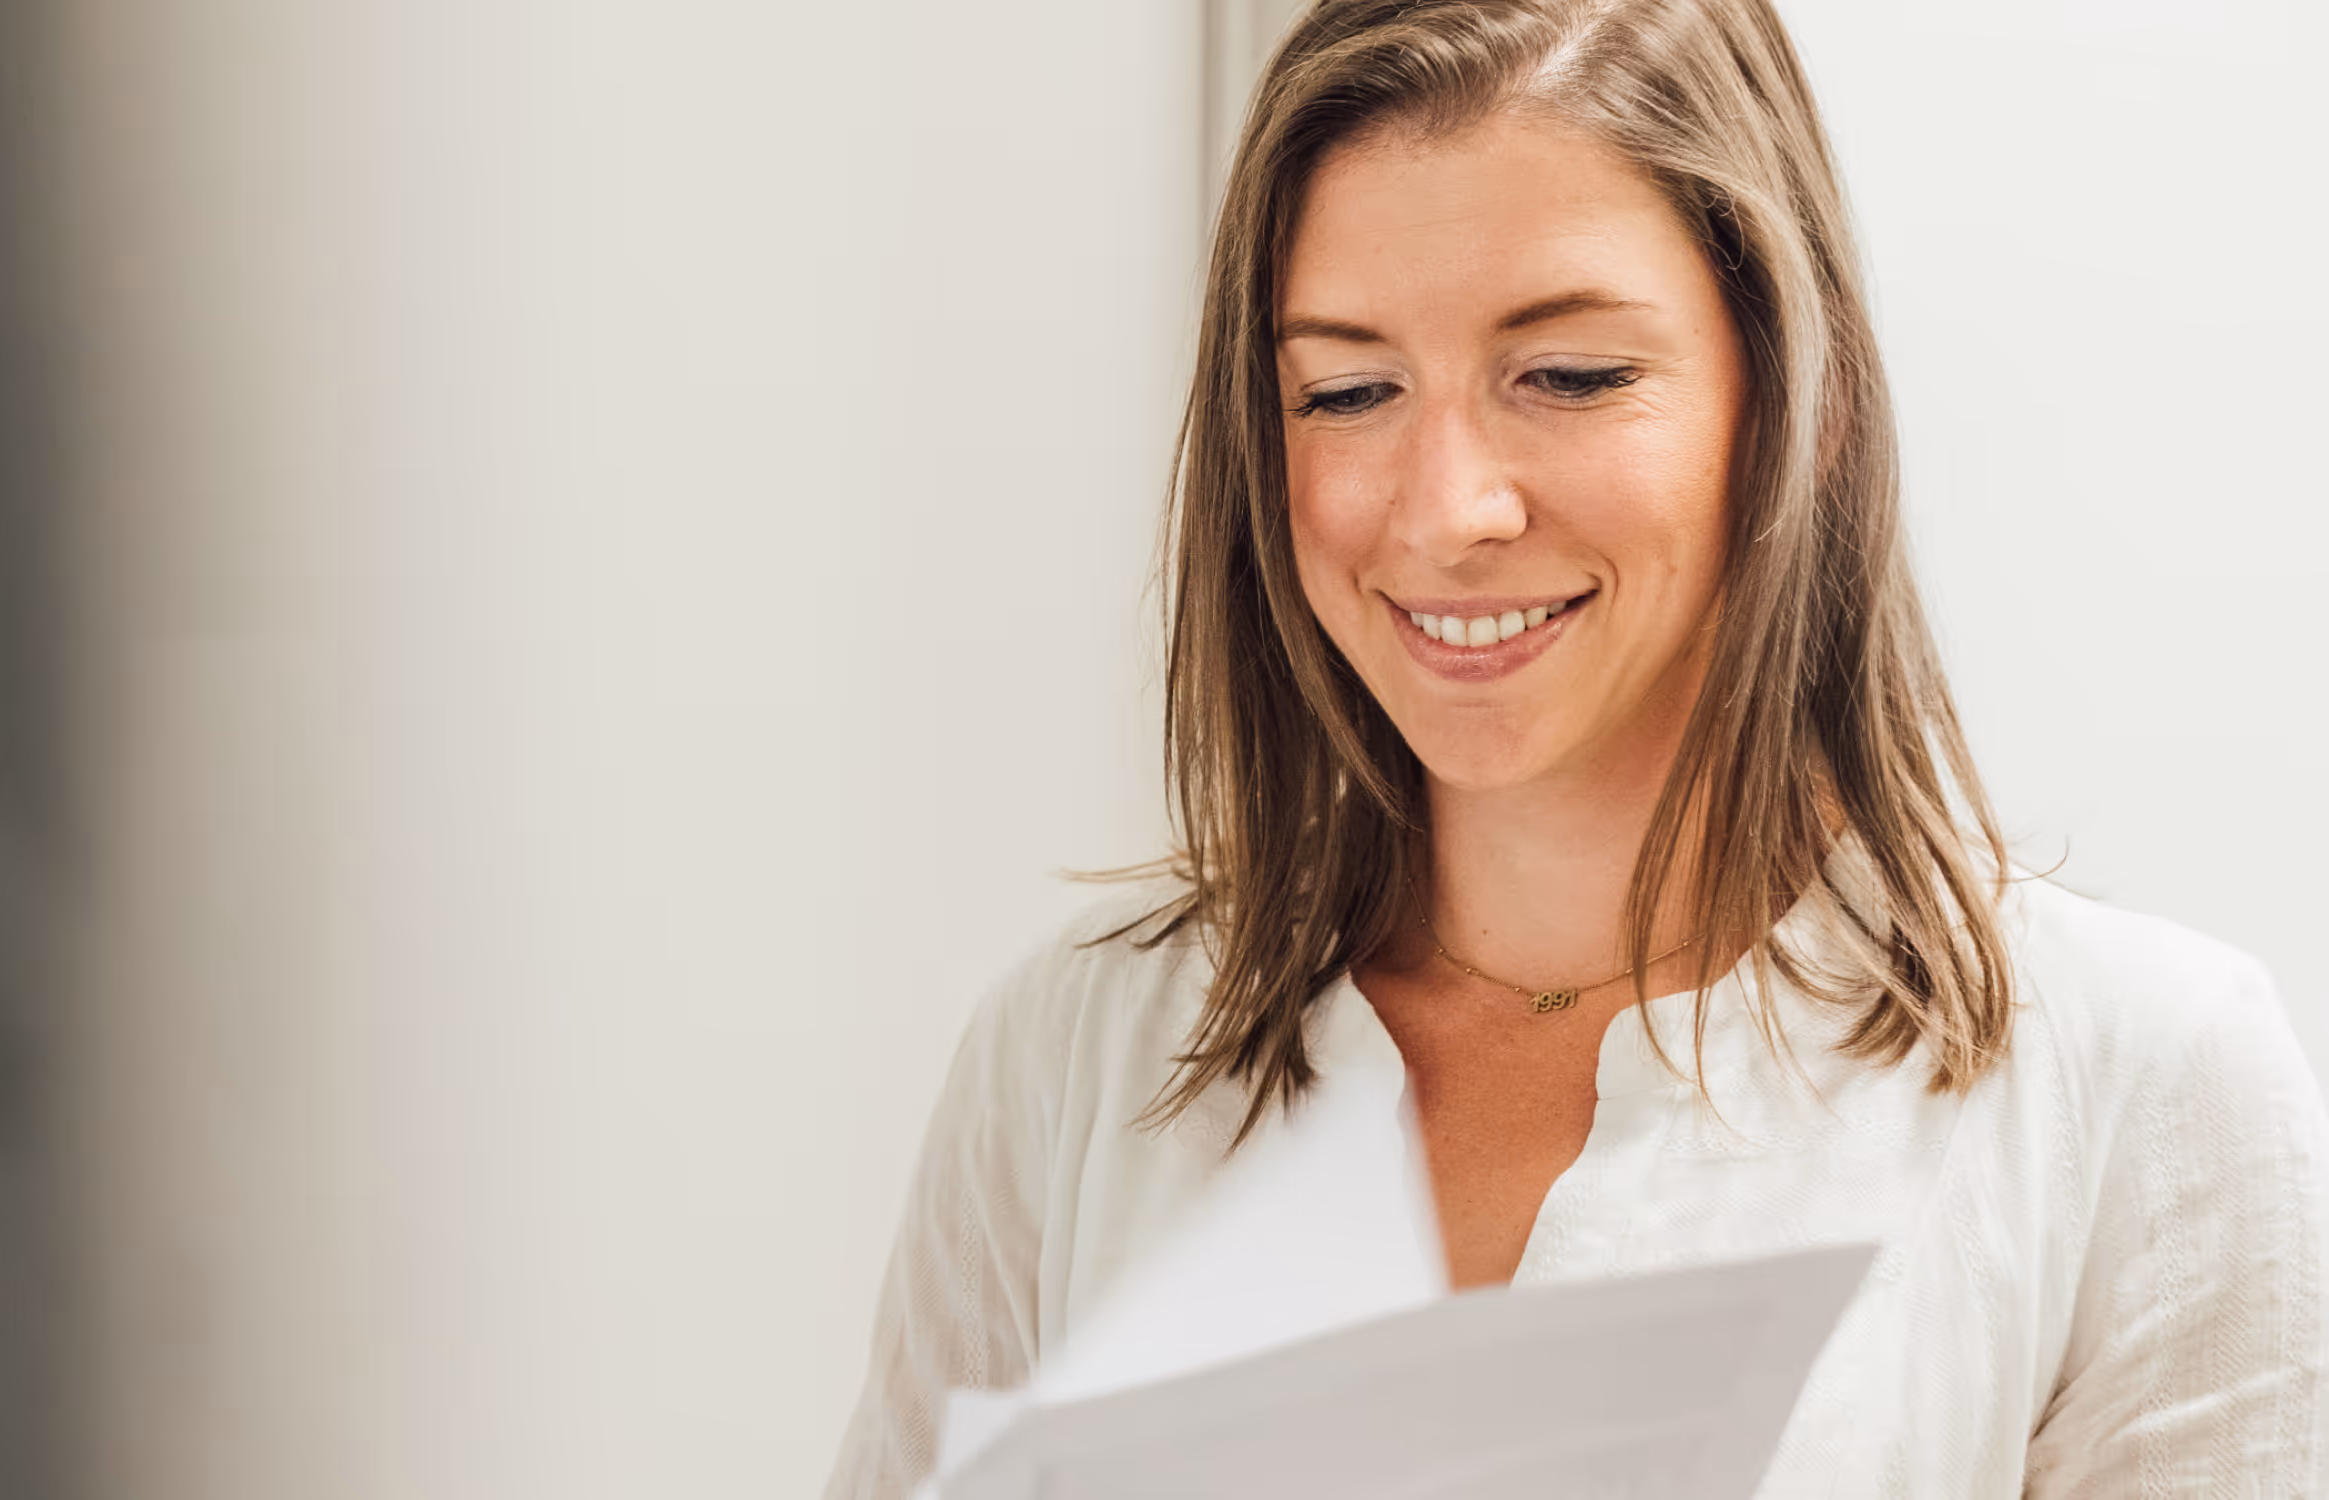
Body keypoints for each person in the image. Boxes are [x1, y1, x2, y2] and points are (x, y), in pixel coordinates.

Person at [823, 0, 2329, 1493]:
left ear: (1798, 399)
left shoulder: (2136, 1080)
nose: (1446, 512)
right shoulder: (1076, 1053)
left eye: (1569, 376)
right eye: (1346, 392)